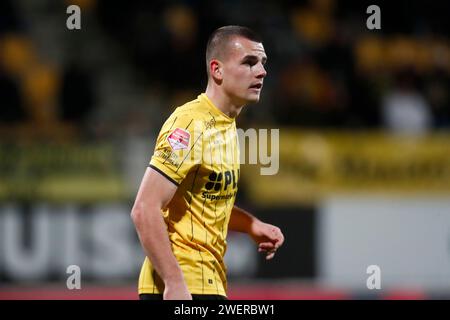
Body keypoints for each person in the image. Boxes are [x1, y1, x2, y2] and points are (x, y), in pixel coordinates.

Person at [131, 25, 285, 300]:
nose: (261, 71)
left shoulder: (227, 126)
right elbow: (144, 208)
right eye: (249, 62)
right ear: (217, 70)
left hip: (208, 284)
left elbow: (202, 203)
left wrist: (250, 225)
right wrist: (174, 281)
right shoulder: (190, 123)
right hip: (180, 286)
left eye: (262, 63)